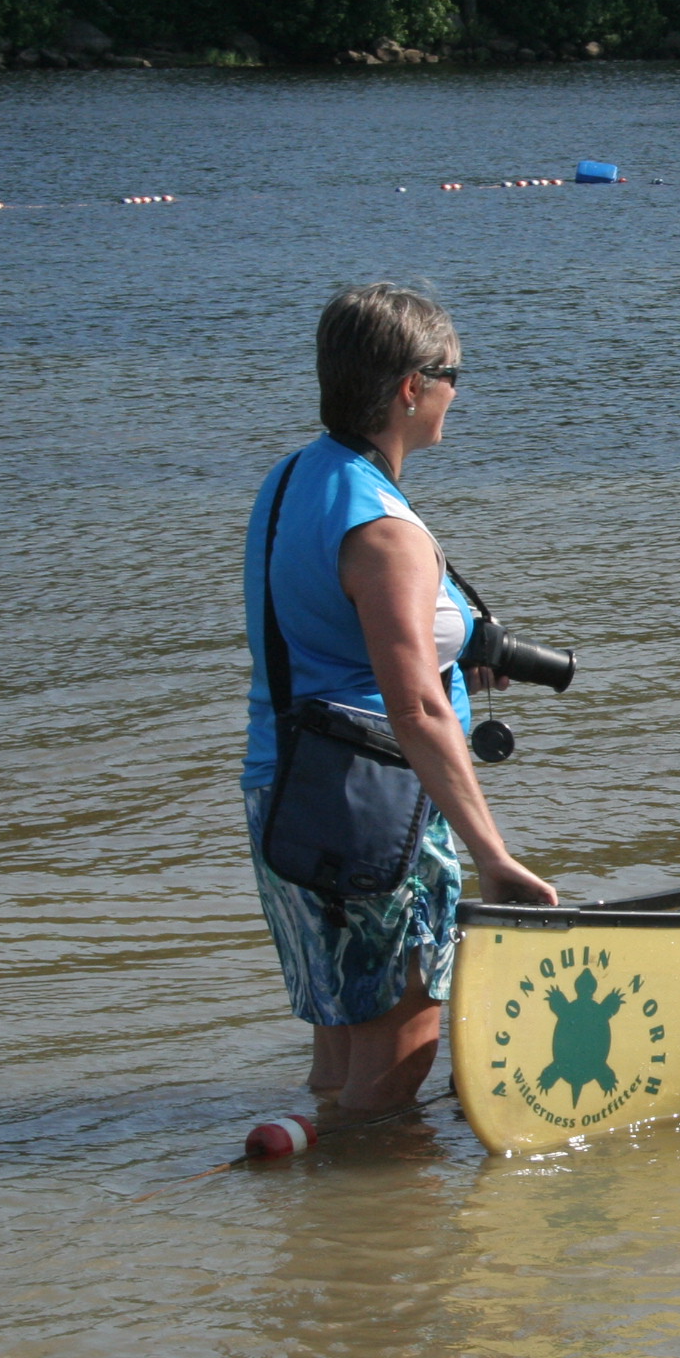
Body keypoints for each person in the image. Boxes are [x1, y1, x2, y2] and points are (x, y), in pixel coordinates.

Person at [241, 283, 557, 1124]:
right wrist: (494, 855)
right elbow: (414, 708)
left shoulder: (292, 481)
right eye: (453, 373)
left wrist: (456, 657)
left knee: (341, 1038)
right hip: (377, 808)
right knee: (402, 1052)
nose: (460, 390)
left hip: (284, 786)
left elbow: (319, 635)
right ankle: (375, 1232)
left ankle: (323, 1234)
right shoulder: (386, 528)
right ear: (411, 388)